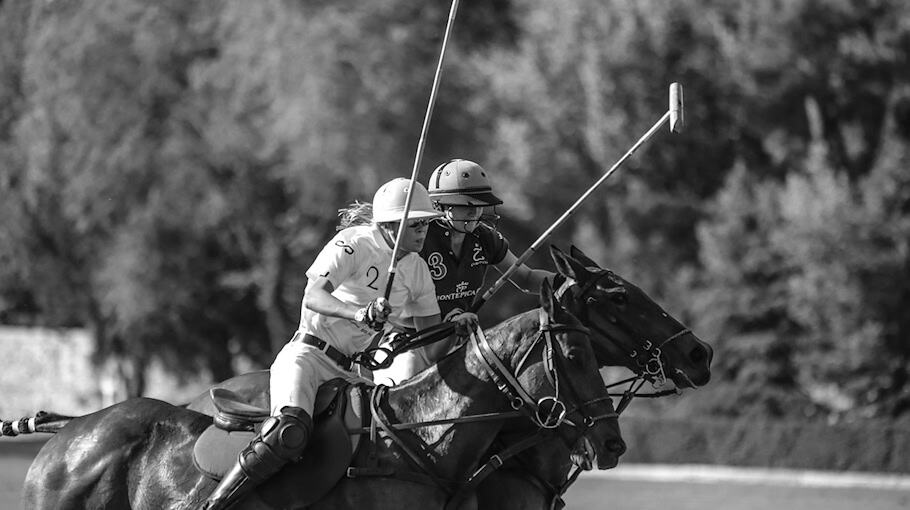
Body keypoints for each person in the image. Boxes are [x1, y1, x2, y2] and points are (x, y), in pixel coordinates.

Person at [203, 178, 445, 510]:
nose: (424, 231)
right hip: (308, 356)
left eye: (427, 223)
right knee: (288, 431)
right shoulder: (355, 242)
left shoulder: (418, 270)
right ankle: (215, 504)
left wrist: (457, 327)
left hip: (351, 373)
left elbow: (432, 343)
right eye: (416, 224)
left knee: (381, 442)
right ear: (391, 224)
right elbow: (313, 295)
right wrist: (359, 313)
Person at [373, 159, 554, 384]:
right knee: (405, 387)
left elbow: (525, 277)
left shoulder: (485, 237)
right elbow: (430, 349)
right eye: (467, 205)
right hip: (410, 344)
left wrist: (571, 280)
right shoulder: (419, 238)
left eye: (480, 205)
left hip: (459, 342)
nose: (475, 212)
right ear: (440, 206)